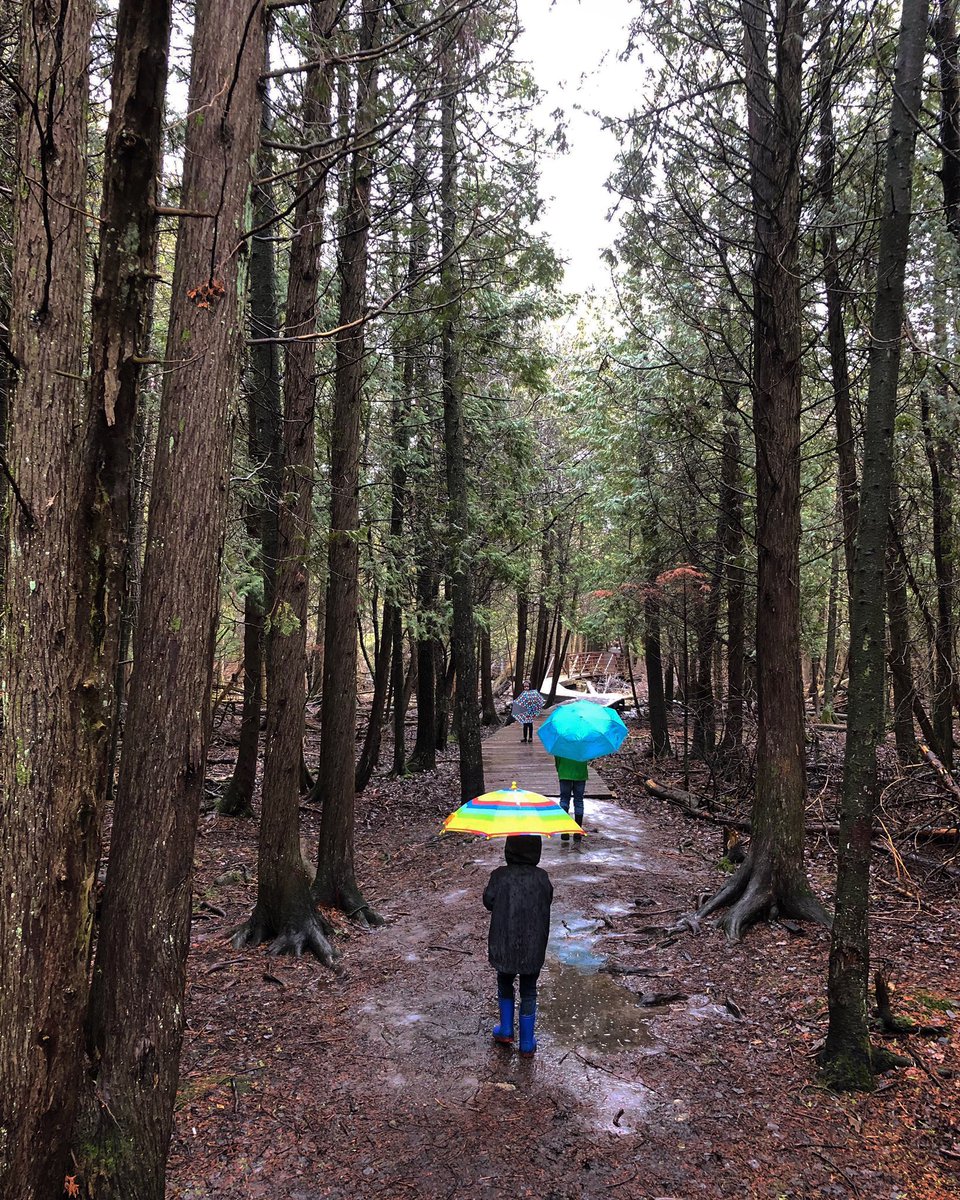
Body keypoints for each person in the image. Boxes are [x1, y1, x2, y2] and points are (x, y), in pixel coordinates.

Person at [482, 835, 553, 1056]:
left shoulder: (500, 875)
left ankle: (505, 1029)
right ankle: (527, 1043)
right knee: (529, 991)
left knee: (504, 983)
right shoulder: (542, 878)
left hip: (504, 943)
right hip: (533, 945)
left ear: (508, 850)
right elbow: (547, 899)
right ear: (536, 852)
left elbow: (488, 901)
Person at [555, 755, 588, 844]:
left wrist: (559, 769)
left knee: (564, 800)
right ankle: (577, 832)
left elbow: (557, 758)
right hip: (580, 773)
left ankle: (565, 831)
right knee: (579, 801)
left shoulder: (562, 742)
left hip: (564, 772)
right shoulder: (583, 741)